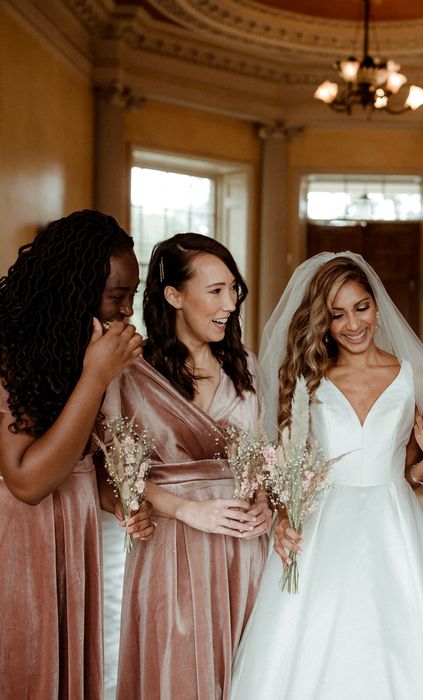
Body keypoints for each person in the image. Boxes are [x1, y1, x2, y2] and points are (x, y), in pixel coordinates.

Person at [230, 252, 423, 699]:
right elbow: (285, 464)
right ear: (322, 321)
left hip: (395, 523)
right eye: (337, 314)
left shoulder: (414, 378)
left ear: (377, 305)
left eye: (361, 307)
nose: (352, 324)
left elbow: (406, 470)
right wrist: (284, 516)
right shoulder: (307, 379)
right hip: (322, 526)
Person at [100, 233, 271, 699]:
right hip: (172, 547)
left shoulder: (248, 368)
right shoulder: (130, 371)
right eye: (215, 291)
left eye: (233, 289)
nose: (229, 303)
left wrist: (263, 503)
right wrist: (187, 509)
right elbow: (116, 474)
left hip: (244, 548)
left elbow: (261, 458)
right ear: (174, 295)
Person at [0, 210, 148, 698]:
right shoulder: (11, 349)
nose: (128, 310)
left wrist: (121, 499)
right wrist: (96, 376)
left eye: (133, 295)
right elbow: (28, 481)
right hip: (18, 543)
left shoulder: (79, 348)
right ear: (75, 288)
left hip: (72, 533)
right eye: (117, 296)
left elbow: (82, 461)